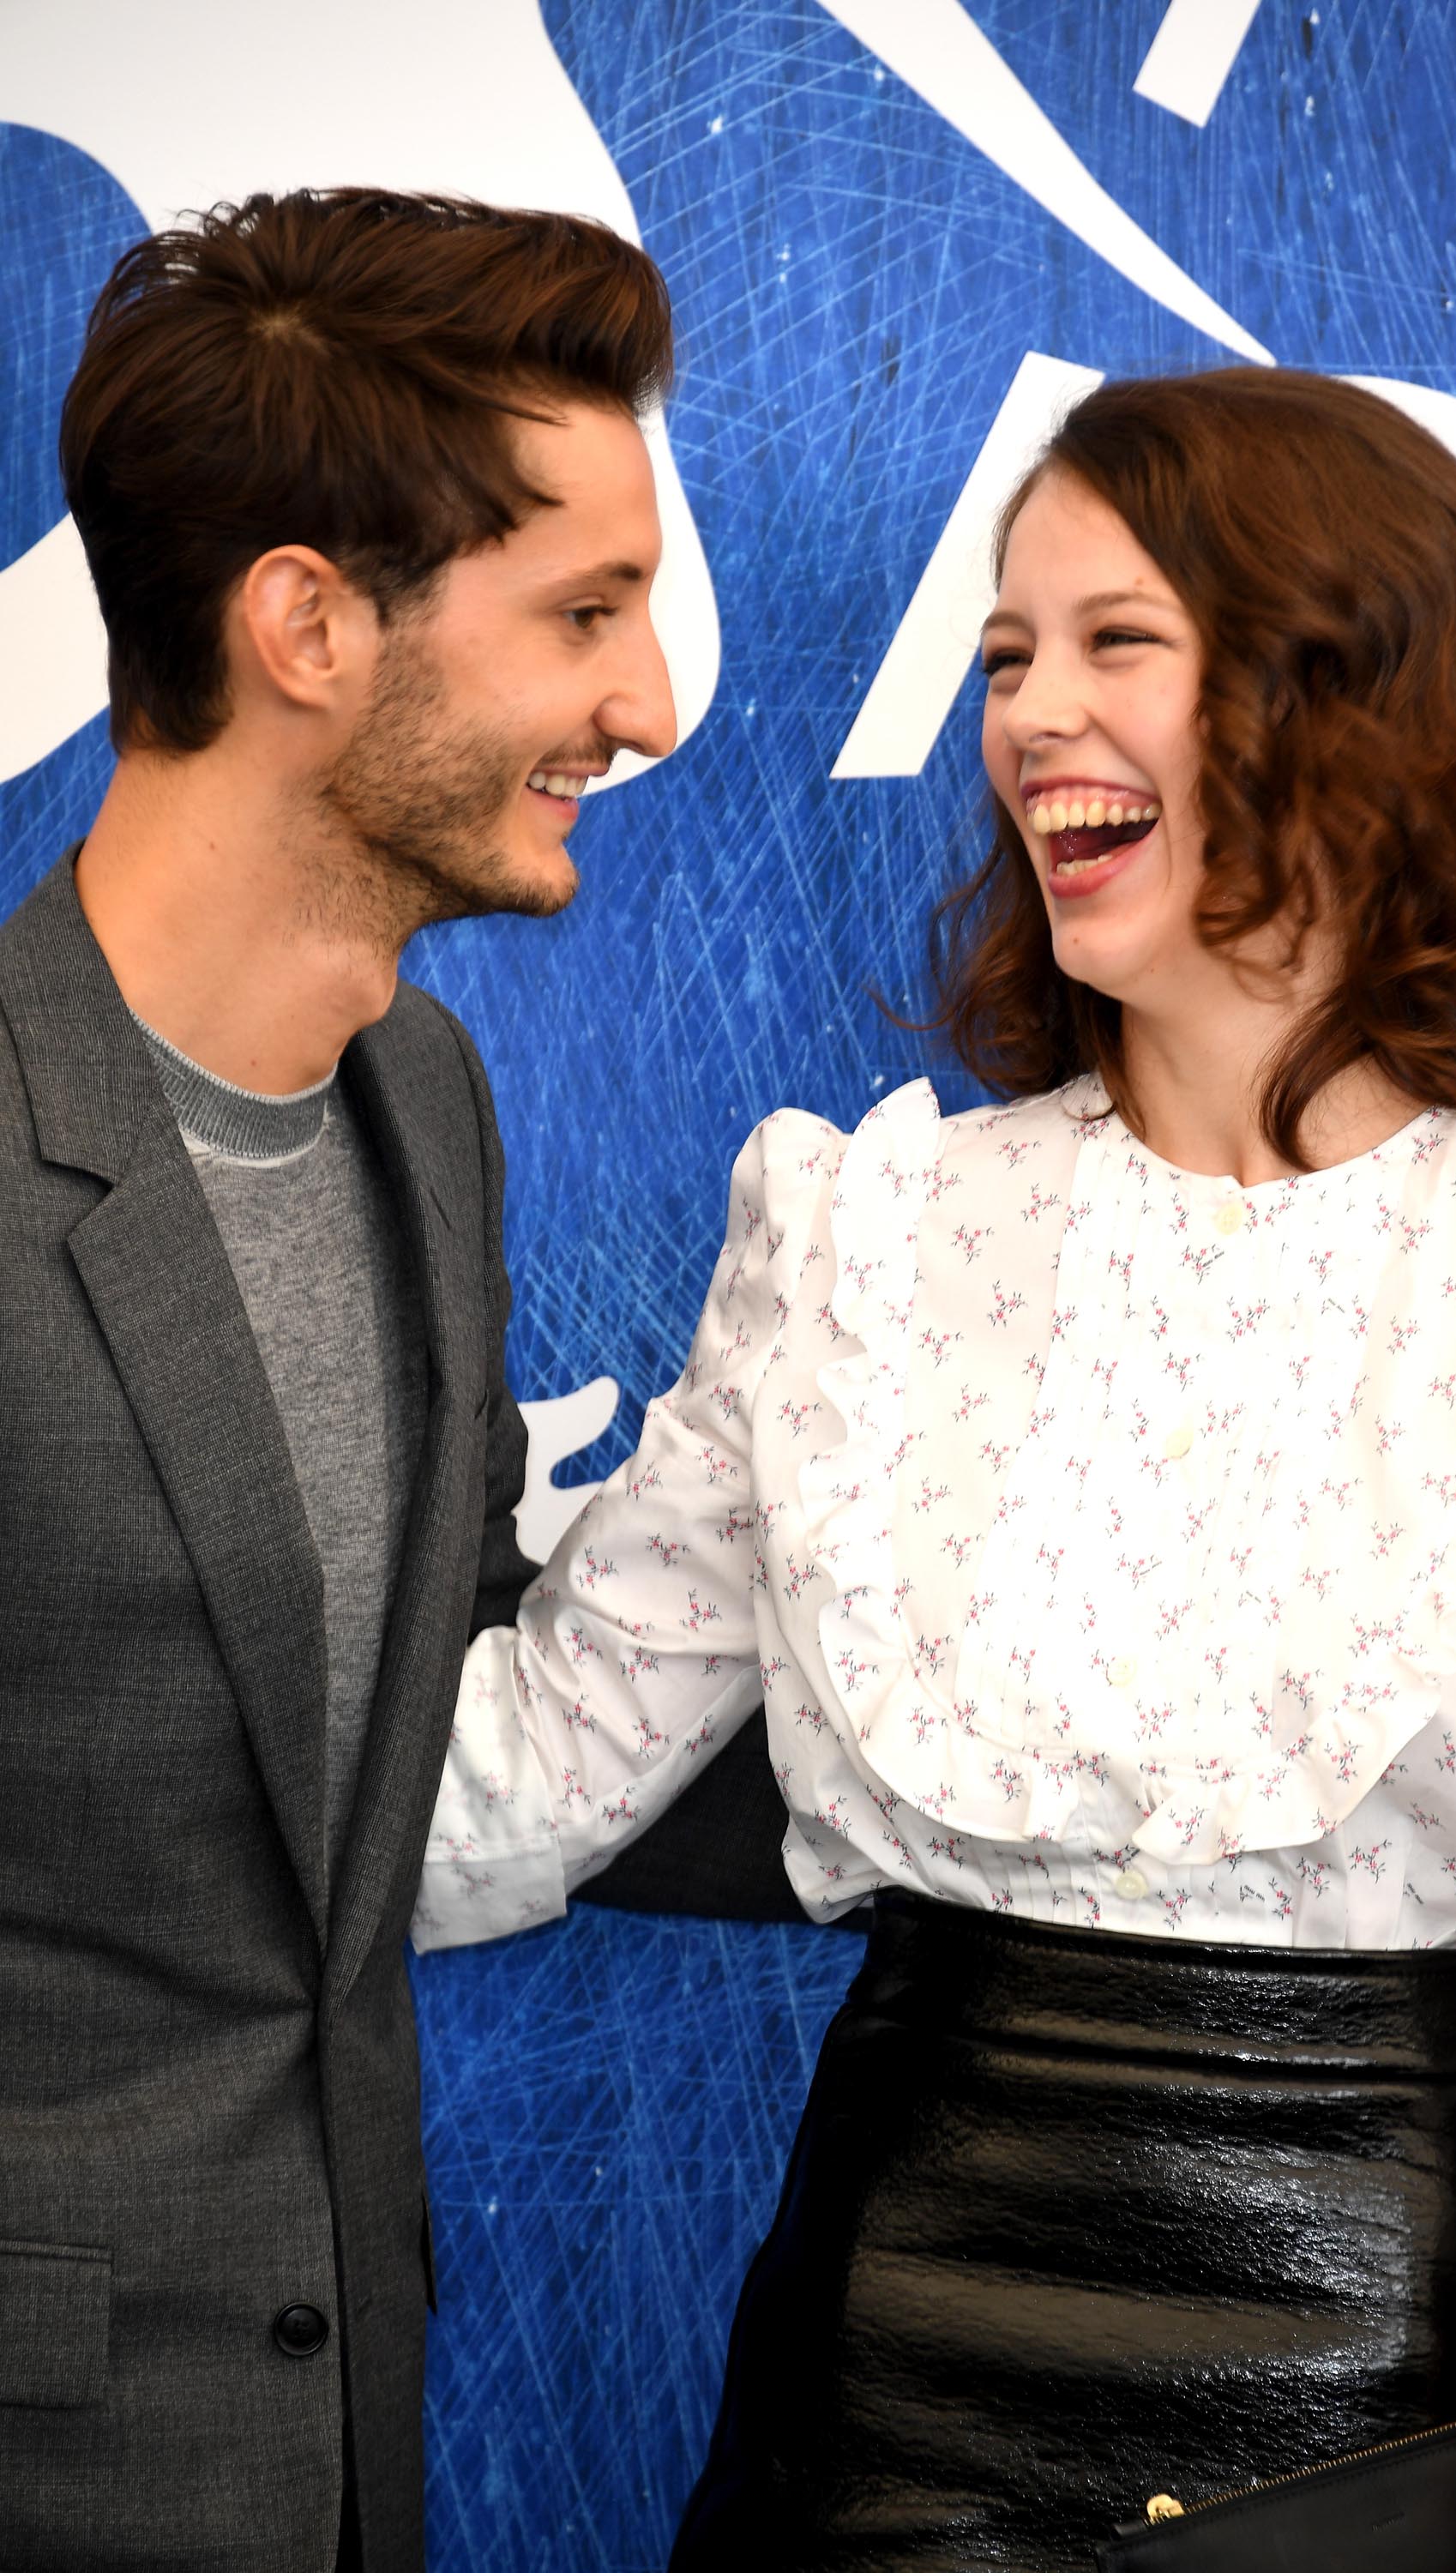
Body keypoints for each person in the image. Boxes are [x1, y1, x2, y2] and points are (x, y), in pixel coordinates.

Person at [416, 368, 1456, 2573]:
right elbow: (522, 1779)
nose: (1027, 715)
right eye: (1005, 655)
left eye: (1116, 641)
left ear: (1341, 692)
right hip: (878, 2392)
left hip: (1368, 2401)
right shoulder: (857, 1237)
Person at [0, 184, 799, 2573]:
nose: (650, 706)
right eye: (583, 613)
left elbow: (409, 1723)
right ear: (309, 625)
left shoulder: (420, 1100)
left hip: (338, 2461)